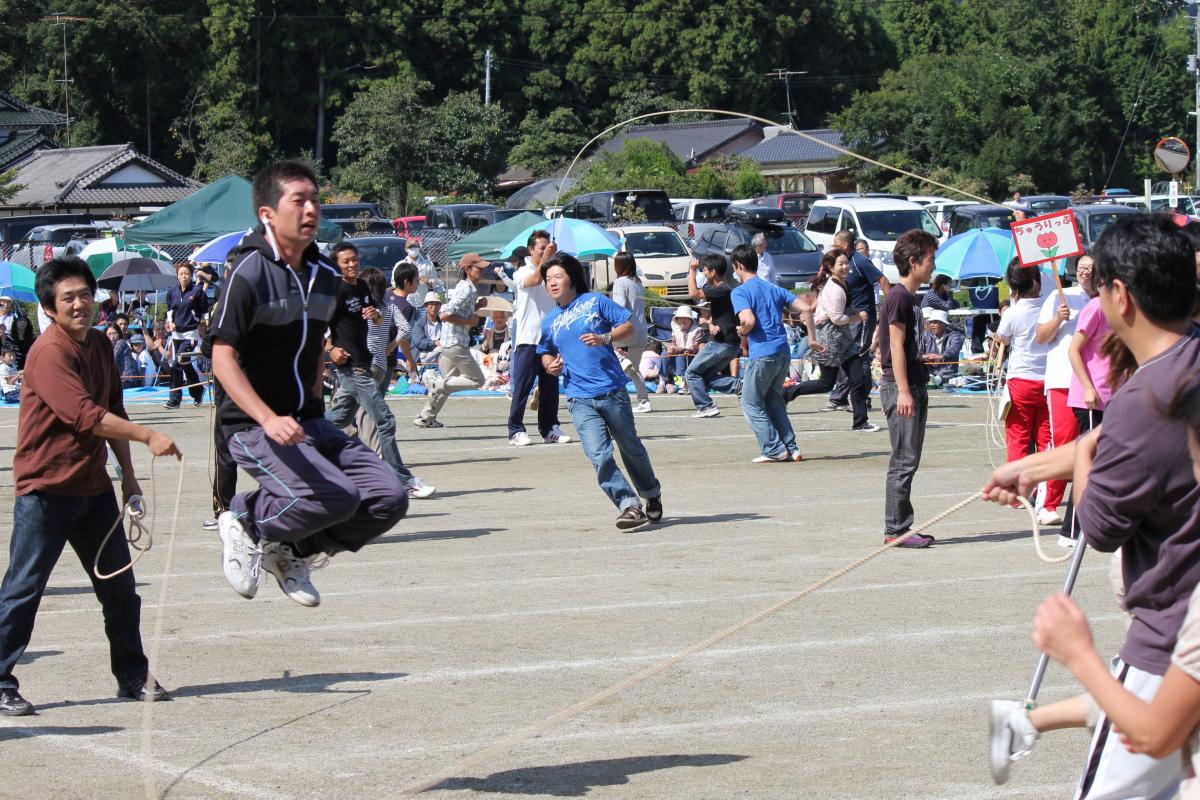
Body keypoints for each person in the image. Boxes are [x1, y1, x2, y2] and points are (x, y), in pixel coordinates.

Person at [983, 213, 1200, 798]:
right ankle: (1020, 723)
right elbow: (1127, 446)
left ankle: (1019, 721)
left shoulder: (1143, 399)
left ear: (1120, 297)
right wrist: (1037, 466)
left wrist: (1076, 651)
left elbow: (1100, 526)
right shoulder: (1187, 367)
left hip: (1170, 640)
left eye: (1099, 287)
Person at [210, 160, 408, 608]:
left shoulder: (324, 275)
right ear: (267, 214)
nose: (311, 209)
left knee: (387, 497)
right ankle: (243, 518)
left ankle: (293, 548)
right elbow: (221, 358)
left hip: (309, 420)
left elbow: (315, 340)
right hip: (251, 424)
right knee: (334, 496)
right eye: (298, 201)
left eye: (315, 200)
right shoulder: (248, 272)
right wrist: (266, 417)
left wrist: (317, 394)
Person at [0, 256, 182, 717]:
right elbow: (85, 415)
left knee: (121, 590)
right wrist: (148, 436)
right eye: (69, 298)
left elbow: (113, 407)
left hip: (95, 491)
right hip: (45, 491)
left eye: (85, 294)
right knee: (24, 589)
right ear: (49, 307)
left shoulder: (100, 344)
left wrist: (129, 477)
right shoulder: (48, 353)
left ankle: (133, 675)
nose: (80, 304)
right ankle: (0, 681)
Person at [536, 254, 663, 529]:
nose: (552, 283)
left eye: (557, 276)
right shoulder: (549, 321)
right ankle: (629, 505)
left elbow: (630, 325)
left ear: (572, 276)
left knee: (631, 448)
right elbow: (544, 352)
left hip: (611, 390)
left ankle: (652, 493)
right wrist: (550, 367)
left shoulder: (595, 301)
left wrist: (605, 338)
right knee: (599, 455)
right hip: (578, 397)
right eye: (548, 280)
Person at [350, 266, 435, 499]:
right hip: (381, 365)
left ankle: (383, 479)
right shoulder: (389, 306)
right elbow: (405, 329)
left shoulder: (365, 308)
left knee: (367, 422)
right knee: (367, 421)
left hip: (362, 367)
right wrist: (391, 347)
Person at [730, 243, 820, 463]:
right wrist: (813, 338)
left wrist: (742, 329)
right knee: (773, 400)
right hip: (782, 352)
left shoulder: (740, 292)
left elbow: (748, 320)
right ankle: (792, 448)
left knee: (750, 402)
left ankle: (773, 448)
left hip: (762, 354)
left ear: (739, 266)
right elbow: (807, 308)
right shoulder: (773, 288)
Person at [879, 229, 939, 548]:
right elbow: (896, 346)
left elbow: (894, 345)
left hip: (914, 382)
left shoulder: (909, 297)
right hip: (901, 387)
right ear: (913, 261)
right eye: (930, 259)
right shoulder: (899, 296)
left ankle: (901, 526)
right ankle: (896, 529)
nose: (933, 265)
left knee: (909, 459)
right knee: (903, 459)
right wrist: (903, 389)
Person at [1035, 253, 1096, 538]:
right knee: (1062, 441)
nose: (1087, 273)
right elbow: (1041, 336)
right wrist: (1058, 320)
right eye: (1083, 268)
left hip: (1093, 382)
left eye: (1092, 268)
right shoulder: (1061, 297)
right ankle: (1047, 503)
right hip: (1062, 378)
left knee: (1090, 446)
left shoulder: (1104, 299)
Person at [783, 248, 877, 432]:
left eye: (846, 263)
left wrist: (856, 313)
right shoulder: (834, 288)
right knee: (825, 383)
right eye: (840, 264)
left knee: (857, 379)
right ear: (831, 268)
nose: (845, 267)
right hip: (830, 337)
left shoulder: (841, 283)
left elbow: (842, 311)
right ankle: (786, 393)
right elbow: (836, 318)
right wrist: (857, 317)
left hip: (843, 338)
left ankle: (860, 421)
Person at [995, 261, 1059, 526]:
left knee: (1019, 437)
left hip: (1020, 380)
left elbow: (1002, 337)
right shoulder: (1051, 306)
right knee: (1046, 438)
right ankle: (1046, 494)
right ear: (1036, 282)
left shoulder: (1013, 312)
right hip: (1047, 378)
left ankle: (1018, 492)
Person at [507, 231, 570, 446]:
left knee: (550, 387)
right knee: (522, 388)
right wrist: (547, 260)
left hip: (549, 338)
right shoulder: (521, 271)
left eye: (547, 247)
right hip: (527, 338)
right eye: (541, 248)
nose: (545, 251)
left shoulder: (552, 272)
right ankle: (515, 429)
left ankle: (549, 427)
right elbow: (534, 280)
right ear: (531, 249)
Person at [414, 253, 490, 429]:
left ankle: (426, 417)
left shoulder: (467, 287)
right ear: (467, 269)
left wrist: (477, 307)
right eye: (480, 267)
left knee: (445, 387)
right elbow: (445, 314)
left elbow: (458, 310)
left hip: (450, 342)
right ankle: (438, 383)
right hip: (455, 343)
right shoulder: (466, 289)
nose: (484, 271)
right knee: (477, 380)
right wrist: (470, 321)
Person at [827, 229, 888, 411]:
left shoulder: (860, 261)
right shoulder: (841, 263)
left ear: (845, 245)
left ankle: (857, 397)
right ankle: (845, 397)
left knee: (859, 356)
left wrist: (890, 306)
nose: (833, 245)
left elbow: (883, 279)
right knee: (845, 355)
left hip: (862, 317)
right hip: (848, 316)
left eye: (836, 242)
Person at [685, 254, 741, 418]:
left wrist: (692, 270)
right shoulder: (724, 291)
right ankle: (739, 386)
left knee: (691, 373)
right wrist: (711, 325)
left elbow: (693, 293)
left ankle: (705, 406)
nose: (703, 274)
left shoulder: (721, 289)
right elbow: (725, 316)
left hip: (722, 344)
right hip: (729, 343)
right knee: (705, 376)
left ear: (713, 272)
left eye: (704, 271)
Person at [611, 250, 653, 414]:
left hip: (626, 329)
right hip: (641, 330)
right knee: (633, 370)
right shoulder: (637, 282)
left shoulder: (620, 282)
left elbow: (619, 307)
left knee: (603, 344)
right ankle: (644, 400)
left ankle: (622, 359)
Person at [164, 262, 208, 409]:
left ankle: (175, 399)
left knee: (177, 364)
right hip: (176, 335)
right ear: (177, 275)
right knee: (186, 365)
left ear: (192, 275)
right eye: (181, 273)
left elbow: (204, 311)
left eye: (187, 273)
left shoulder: (197, 291)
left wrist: (206, 324)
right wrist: (170, 323)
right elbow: (170, 311)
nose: (184, 276)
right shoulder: (172, 292)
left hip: (190, 335)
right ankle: (198, 390)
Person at [658, 305, 702, 394]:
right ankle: (662, 382)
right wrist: (671, 349)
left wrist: (680, 349)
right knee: (664, 353)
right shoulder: (676, 331)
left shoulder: (698, 330)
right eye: (679, 318)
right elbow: (673, 344)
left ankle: (682, 385)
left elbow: (695, 349)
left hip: (692, 360)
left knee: (681, 355)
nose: (682, 321)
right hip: (678, 360)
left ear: (690, 320)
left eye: (684, 318)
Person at [918, 308, 965, 384]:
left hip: (947, 375)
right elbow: (918, 350)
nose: (932, 325)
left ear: (943, 324)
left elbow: (955, 347)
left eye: (935, 322)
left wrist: (942, 356)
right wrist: (923, 357)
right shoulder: (925, 336)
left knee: (949, 362)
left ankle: (935, 380)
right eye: (931, 322)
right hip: (929, 372)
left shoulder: (954, 335)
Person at [0, 296, 35, 369]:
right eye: (3, 302)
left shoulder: (13, 315)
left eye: (8, 302)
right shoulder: (10, 338)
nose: (6, 305)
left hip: (25, 364)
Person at [412, 293, 443, 368]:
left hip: (439, 356)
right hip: (422, 357)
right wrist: (435, 343)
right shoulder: (419, 324)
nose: (434, 307)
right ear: (425, 306)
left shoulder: (443, 323)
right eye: (431, 304)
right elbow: (419, 342)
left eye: (437, 304)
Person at [107, 324, 139, 389]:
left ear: (119, 333)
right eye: (109, 334)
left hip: (128, 379)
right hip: (121, 379)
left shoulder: (121, 342)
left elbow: (112, 358)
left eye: (114, 333)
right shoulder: (109, 346)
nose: (112, 336)